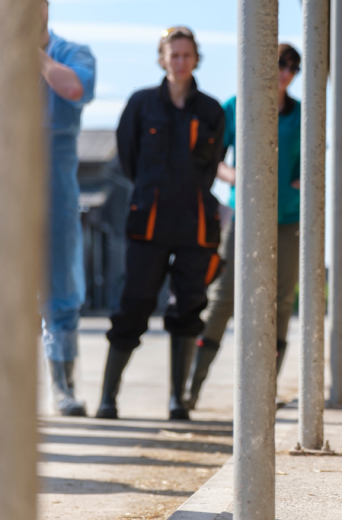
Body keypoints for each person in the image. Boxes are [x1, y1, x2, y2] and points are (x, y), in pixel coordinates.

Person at [95, 27, 225, 420]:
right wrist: (154, 191)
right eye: (174, 55)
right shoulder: (140, 104)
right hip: (147, 223)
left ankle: (177, 399)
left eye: (187, 55)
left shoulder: (211, 110)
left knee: (188, 307)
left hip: (194, 224)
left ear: (196, 59)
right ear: (162, 58)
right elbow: (129, 156)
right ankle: (108, 397)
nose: (180, 61)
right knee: (133, 304)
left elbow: (211, 164)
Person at [184, 44, 303, 410]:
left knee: (281, 303)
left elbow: (311, 161)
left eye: (292, 67)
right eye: (279, 63)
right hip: (244, 217)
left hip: (288, 219)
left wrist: (301, 180)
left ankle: (265, 393)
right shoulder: (236, 106)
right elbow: (213, 160)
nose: (285, 72)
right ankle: (190, 391)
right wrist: (235, 175)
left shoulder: (303, 113)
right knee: (222, 300)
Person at [39, 0, 96, 416]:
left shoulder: (71, 52)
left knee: (62, 293)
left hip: (55, 189)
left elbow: (75, 89)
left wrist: (29, 51)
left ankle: (64, 389)